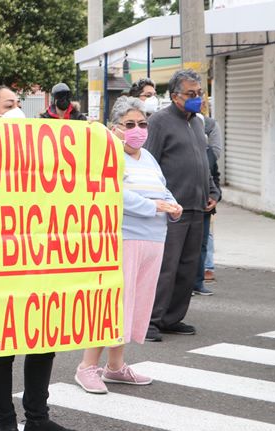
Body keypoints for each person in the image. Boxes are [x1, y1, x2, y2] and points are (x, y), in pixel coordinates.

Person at [0, 85, 79, 431]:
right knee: (1, 346)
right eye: (11, 105)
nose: (19, 110)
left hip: (39, 259)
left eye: (20, 104)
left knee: (42, 338)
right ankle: (6, 424)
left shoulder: (38, 150)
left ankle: (37, 419)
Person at [74, 97, 182, 393]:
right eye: (130, 124)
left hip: (152, 239)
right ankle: (87, 367)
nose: (138, 130)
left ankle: (116, 366)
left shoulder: (147, 157)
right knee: (111, 304)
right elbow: (114, 192)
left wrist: (171, 204)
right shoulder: (108, 155)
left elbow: (163, 188)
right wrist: (154, 206)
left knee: (133, 304)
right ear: (115, 128)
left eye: (143, 123)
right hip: (122, 237)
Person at [143, 69, 220, 342]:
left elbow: (204, 162)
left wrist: (213, 190)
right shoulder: (160, 122)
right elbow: (148, 163)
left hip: (198, 207)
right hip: (171, 209)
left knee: (188, 267)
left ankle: (172, 318)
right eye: (191, 94)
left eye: (199, 93)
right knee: (166, 267)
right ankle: (150, 321)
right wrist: (157, 202)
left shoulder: (197, 123)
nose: (196, 98)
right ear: (175, 96)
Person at [193, 99, 223, 296]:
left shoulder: (208, 153)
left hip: (204, 205)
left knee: (202, 243)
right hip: (185, 204)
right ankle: (183, 284)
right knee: (186, 247)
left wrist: (215, 196)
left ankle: (198, 282)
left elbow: (215, 177)